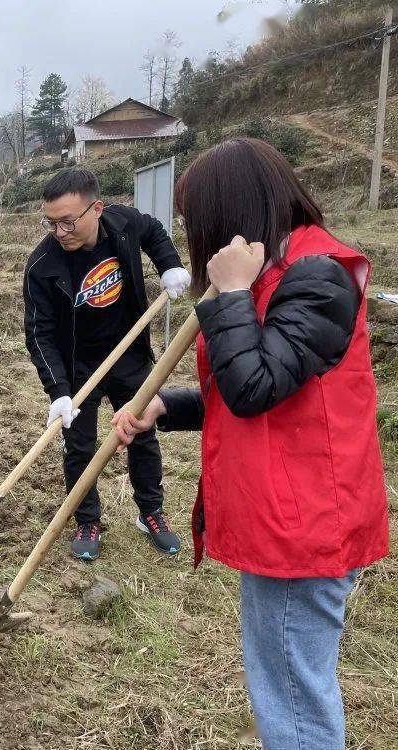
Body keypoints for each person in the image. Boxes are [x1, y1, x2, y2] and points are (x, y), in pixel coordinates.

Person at [112, 138, 389, 749]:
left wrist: (233, 295)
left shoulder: (320, 277)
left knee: (293, 697)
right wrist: (167, 404)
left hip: (304, 526)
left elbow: (254, 386)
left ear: (233, 215)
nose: (198, 237)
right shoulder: (279, 273)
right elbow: (259, 388)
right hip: (287, 514)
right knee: (285, 682)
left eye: (200, 222)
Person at [23, 168, 192, 561]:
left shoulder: (122, 224)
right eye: (51, 223)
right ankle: (87, 519)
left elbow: (151, 231)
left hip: (128, 355)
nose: (59, 232)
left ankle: (150, 512)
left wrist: (169, 264)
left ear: (96, 209)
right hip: (77, 366)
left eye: (67, 221)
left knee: (141, 434)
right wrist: (59, 392)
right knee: (79, 447)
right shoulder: (42, 265)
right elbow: (39, 334)